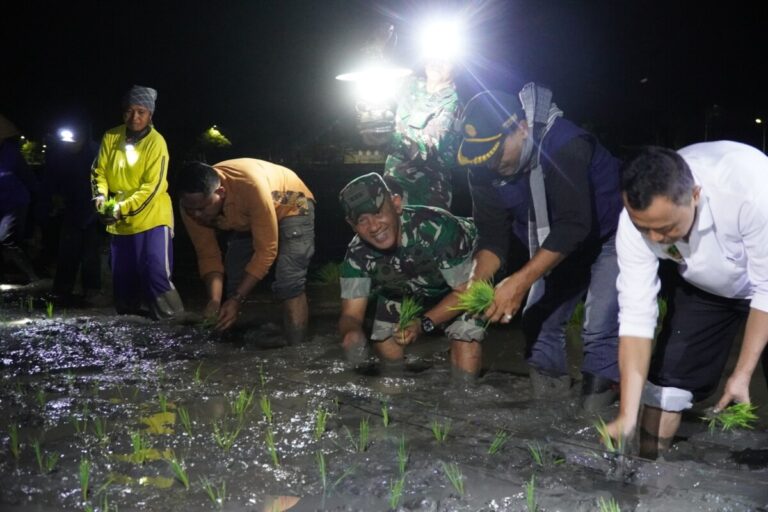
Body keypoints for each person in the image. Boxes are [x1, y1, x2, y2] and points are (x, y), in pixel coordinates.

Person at [455, 86, 624, 410]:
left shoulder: (564, 144)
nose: (489, 164)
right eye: (483, 157)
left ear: (520, 128)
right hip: (555, 243)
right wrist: (477, 284)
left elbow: (574, 224)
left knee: (598, 324)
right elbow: (492, 237)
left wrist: (518, 283)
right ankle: (552, 408)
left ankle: (597, 415)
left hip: (609, 236)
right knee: (538, 320)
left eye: (495, 153)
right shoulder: (482, 168)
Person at [606, 142, 768, 458]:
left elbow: (767, 287)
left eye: (666, 229)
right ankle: (648, 470)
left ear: (695, 194)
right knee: (667, 381)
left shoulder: (750, 189)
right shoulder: (634, 224)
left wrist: (742, 372)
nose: (654, 240)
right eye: (645, 229)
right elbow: (636, 318)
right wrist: (626, 414)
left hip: (763, 278)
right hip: (706, 289)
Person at [337, 172, 484, 380]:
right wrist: (351, 333)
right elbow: (351, 315)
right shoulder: (356, 254)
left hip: (469, 278)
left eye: (378, 213)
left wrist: (423, 323)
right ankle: (401, 399)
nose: (374, 226)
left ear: (396, 204)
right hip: (410, 286)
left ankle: (465, 400)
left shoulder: (437, 227)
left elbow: (465, 292)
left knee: (464, 339)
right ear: (352, 226)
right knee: (384, 341)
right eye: (362, 220)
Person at [177, 159, 315, 345]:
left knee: (288, 279)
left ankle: (296, 348)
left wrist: (237, 299)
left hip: (291, 201)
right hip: (248, 214)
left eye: (202, 209)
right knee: (235, 276)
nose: (197, 216)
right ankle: (236, 339)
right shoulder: (191, 205)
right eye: (190, 210)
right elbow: (208, 255)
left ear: (220, 192)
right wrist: (215, 300)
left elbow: (266, 251)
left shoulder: (250, 187)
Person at [91, 85, 184, 319]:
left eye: (141, 111)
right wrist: (100, 197)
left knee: (155, 272)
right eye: (130, 111)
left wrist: (122, 208)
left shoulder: (157, 143)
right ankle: (129, 319)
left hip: (153, 216)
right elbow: (98, 171)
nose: (135, 117)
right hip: (119, 218)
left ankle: (173, 319)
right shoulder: (111, 136)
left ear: (150, 114)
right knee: (122, 273)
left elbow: (151, 188)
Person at [357, 57, 461, 209]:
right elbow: (378, 69)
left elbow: (429, 151)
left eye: (445, 59)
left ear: (456, 68)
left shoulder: (452, 102)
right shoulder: (410, 85)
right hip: (393, 186)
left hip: (428, 193)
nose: (436, 63)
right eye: (433, 55)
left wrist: (389, 137)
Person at [40, 117, 104, 305]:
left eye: (77, 137)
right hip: (70, 209)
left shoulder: (96, 151)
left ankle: (92, 290)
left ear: (85, 136)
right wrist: (54, 200)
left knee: (91, 253)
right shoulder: (59, 154)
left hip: (93, 208)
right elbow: (50, 180)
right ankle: (63, 289)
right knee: (68, 250)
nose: (72, 142)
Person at [0, 113, 40, 283]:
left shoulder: (12, 154)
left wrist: (42, 199)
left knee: (5, 239)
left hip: (15, 203)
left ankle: (32, 276)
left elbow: (28, 178)